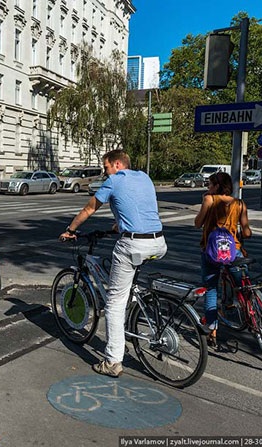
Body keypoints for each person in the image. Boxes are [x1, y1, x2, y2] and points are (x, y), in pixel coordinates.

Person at [59, 150, 167, 378]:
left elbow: (89, 208)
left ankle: (112, 361)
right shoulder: (144, 177)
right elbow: (140, 206)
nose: (105, 172)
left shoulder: (114, 181)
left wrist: (70, 230)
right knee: (126, 289)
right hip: (158, 242)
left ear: (117, 164)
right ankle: (131, 318)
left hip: (134, 244)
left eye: (106, 167)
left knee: (114, 303)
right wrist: (121, 224)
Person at [194, 172, 252, 346]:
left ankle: (212, 329)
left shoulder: (209, 200)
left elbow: (197, 223)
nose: (208, 187)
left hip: (212, 252)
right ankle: (253, 315)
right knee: (243, 286)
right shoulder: (240, 204)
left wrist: (205, 200)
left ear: (217, 186)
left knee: (211, 288)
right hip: (233, 251)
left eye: (210, 184)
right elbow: (247, 232)